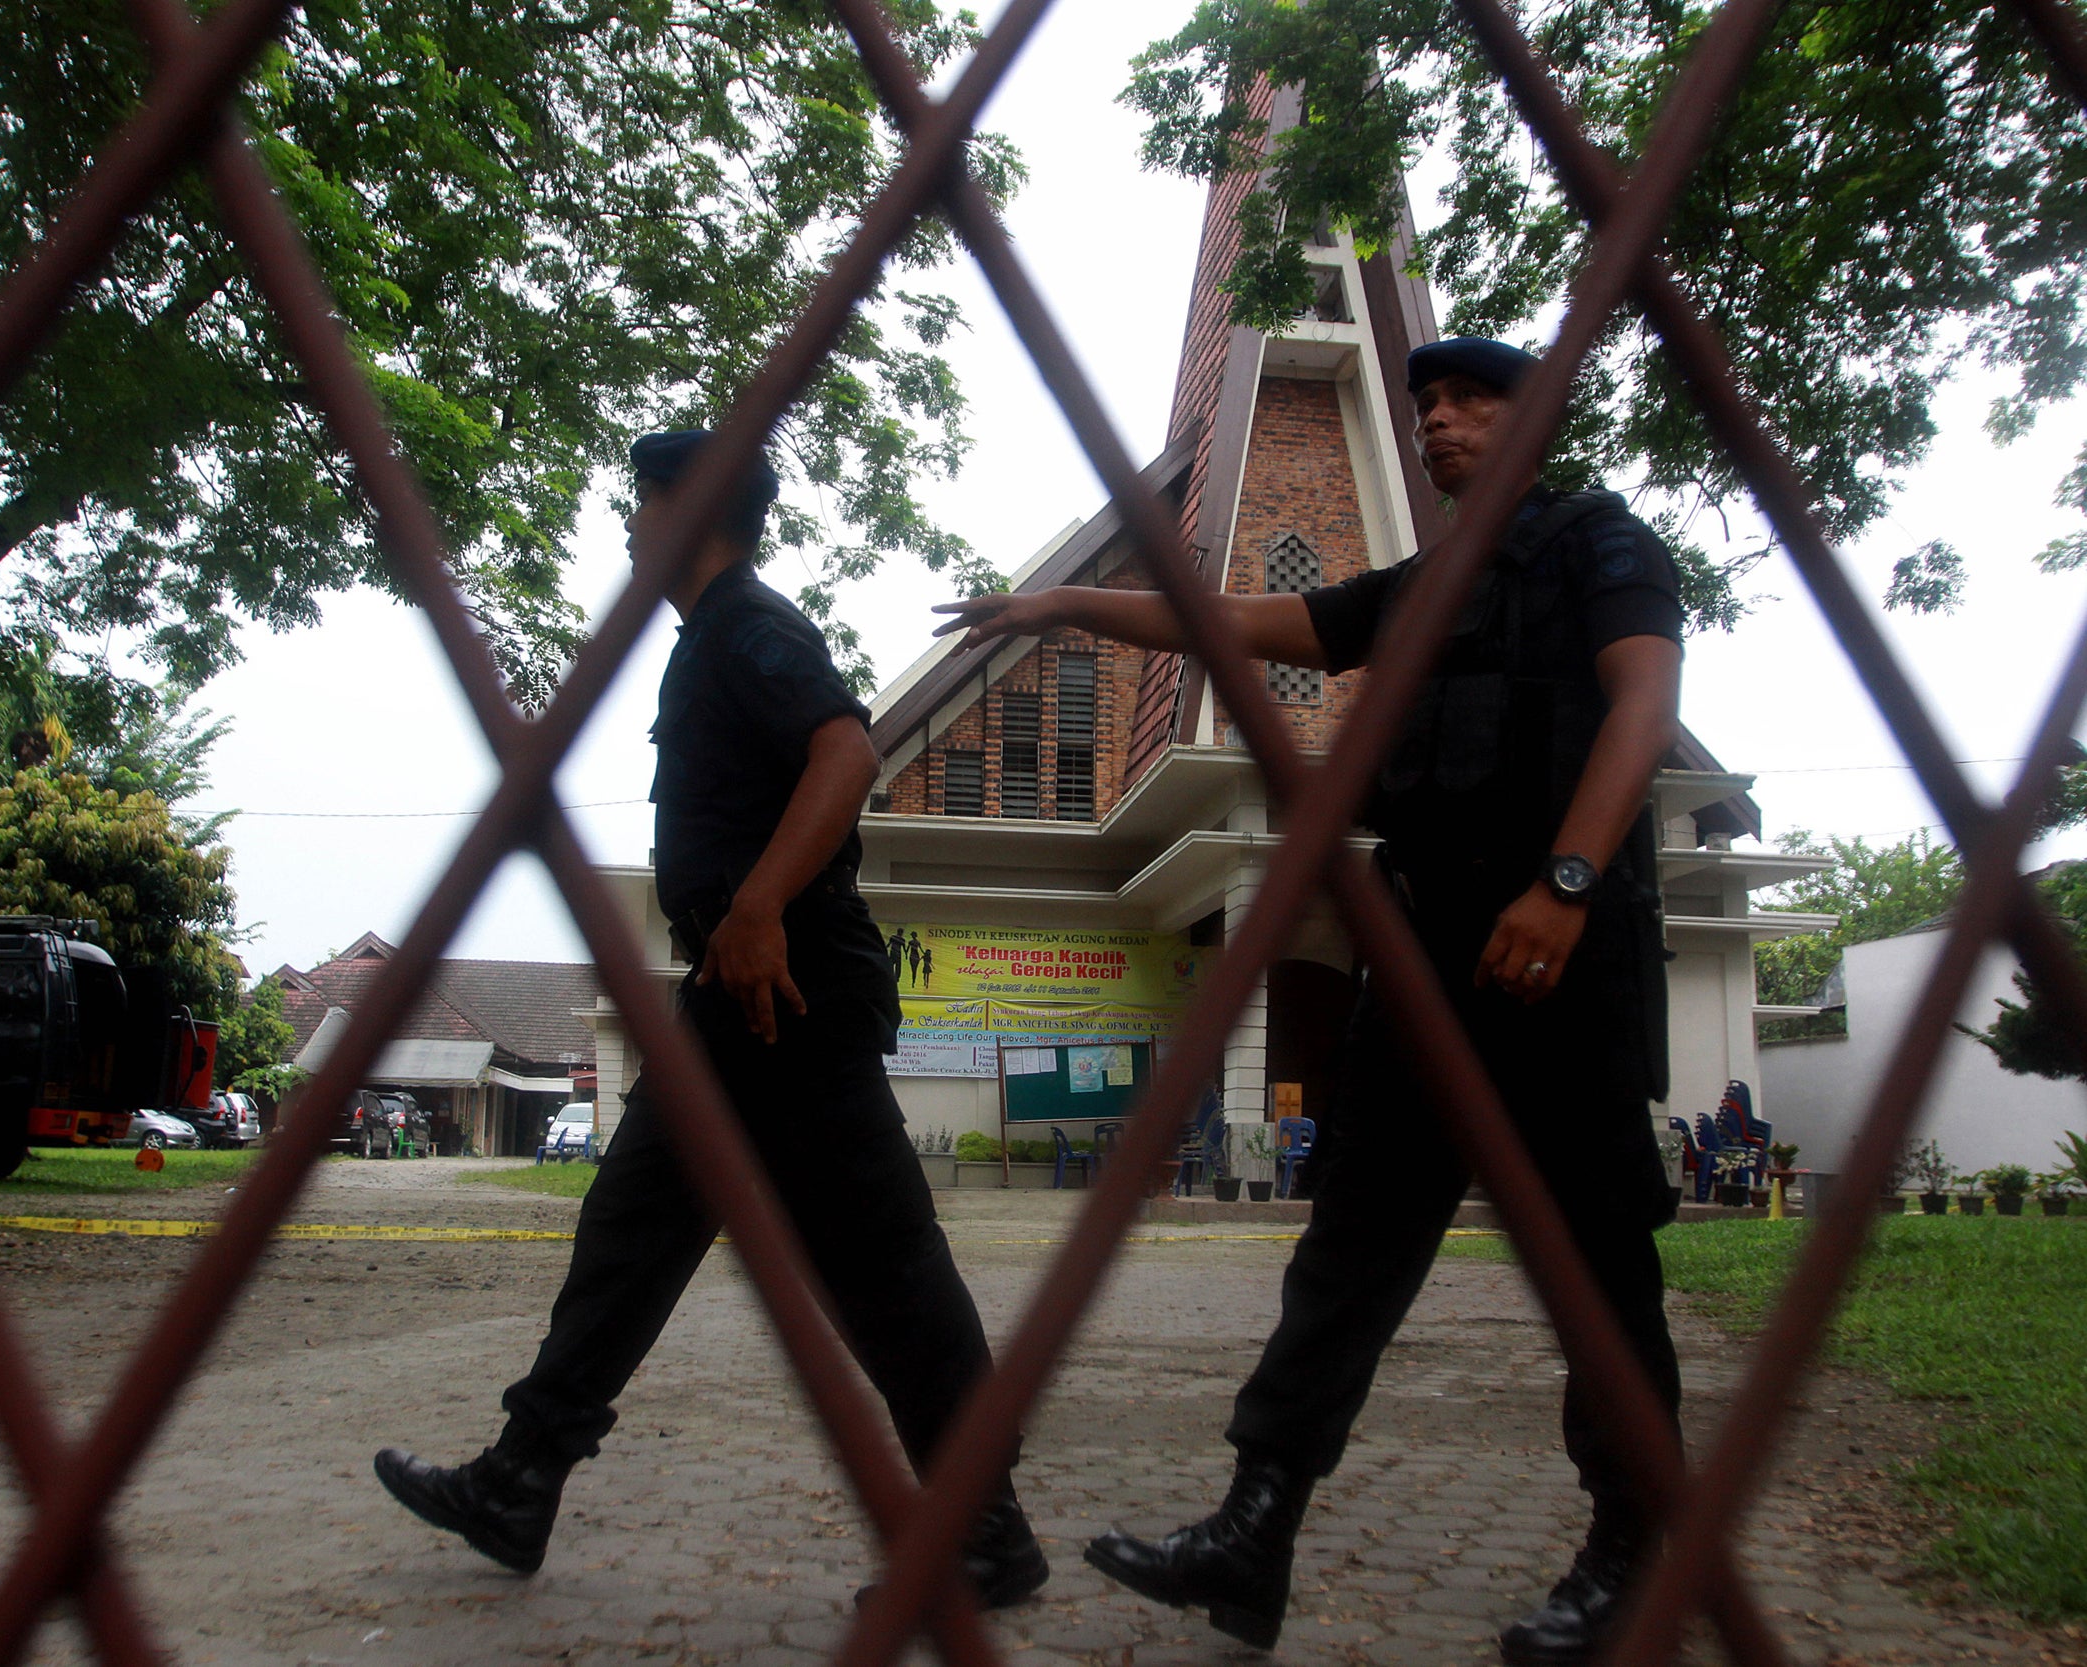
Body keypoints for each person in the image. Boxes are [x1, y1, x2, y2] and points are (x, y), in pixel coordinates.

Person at [931, 338, 1685, 1665]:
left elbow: (1644, 703)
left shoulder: (1597, 544)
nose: (1442, 420)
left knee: (1594, 1269)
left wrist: (1565, 879)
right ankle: (1253, 1526)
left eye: (1472, 399)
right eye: (1429, 405)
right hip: (1429, 949)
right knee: (1346, 1249)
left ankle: (1635, 1551)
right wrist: (1062, 602)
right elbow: (1232, 622)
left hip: (1559, 954)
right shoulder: (1420, 587)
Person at [375, 430, 1047, 1608]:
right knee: (631, 1231)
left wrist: (755, 903)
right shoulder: (712, 635)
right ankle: (521, 1475)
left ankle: (981, 1525)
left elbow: (846, 752)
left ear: (693, 508)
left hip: (784, 988)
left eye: (641, 501)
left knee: (879, 1265)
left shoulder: (749, 623)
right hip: (735, 995)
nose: (628, 523)